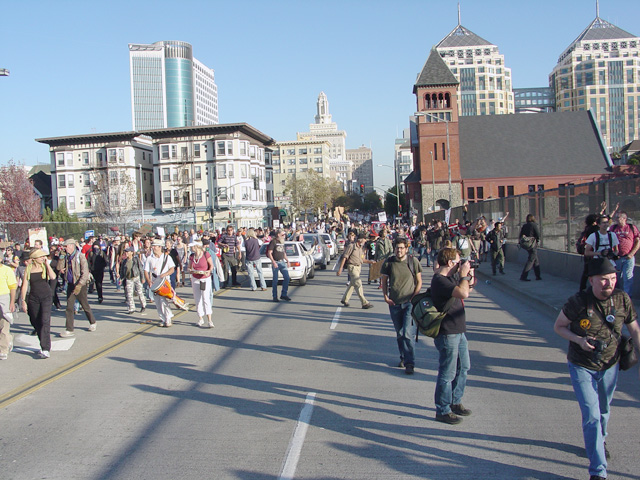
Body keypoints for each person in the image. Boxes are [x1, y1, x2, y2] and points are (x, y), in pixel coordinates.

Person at [553, 258, 640, 480]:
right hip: (582, 365)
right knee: (591, 414)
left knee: (603, 411)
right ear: (591, 280)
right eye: (603, 279)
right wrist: (579, 340)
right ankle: (598, 471)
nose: (608, 283)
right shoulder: (578, 302)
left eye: (612, 278)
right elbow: (559, 327)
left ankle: (599, 441)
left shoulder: (622, 299)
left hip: (610, 364)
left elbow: (635, 330)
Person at [430, 247, 474, 425]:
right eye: (457, 262)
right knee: (447, 373)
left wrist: (469, 276)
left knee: (464, 367)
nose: (459, 265)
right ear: (449, 263)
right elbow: (462, 293)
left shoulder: (450, 278)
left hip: (459, 330)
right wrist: (463, 276)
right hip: (448, 332)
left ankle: (456, 401)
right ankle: (443, 409)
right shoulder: (440, 280)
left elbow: (467, 291)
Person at [380, 237, 422, 374]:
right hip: (394, 303)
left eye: (402, 248)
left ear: (407, 248)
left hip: (409, 303)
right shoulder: (389, 262)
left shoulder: (412, 261)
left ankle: (410, 363)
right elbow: (384, 280)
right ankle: (403, 356)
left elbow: (419, 281)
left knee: (407, 333)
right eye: (397, 248)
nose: (399, 250)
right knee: (399, 333)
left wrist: (414, 297)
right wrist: (386, 296)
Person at [57, 239, 97, 337]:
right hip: (70, 284)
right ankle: (69, 329)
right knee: (69, 307)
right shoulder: (66, 257)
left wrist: (80, 285)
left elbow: (85, 272)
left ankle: (92, 322)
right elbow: (59, 268)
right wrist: (61, 258)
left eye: (66, 247)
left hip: (80, 284)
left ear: (71, 246)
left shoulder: (80, 256)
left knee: (84, 304)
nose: (65, 249)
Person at [20, 249, 56, 358]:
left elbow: (53, 277)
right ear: (35, 258)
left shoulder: (45, 267)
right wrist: (23, 301)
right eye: (41, 256)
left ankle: (45, 348)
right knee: (35, 321)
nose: (43, 258)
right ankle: (43, 342)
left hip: (46, 296)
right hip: (33, 297)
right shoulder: (29, 268)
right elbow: (25, 285)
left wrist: (47, 264)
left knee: (45, 321)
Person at [337, 233, 374, 309]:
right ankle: (364, 302)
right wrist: (340, 268)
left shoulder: (361, 248)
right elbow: (345, 257)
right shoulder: (351, 246)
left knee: (352, 284)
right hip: (352, 267)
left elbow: (362, 259)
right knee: (358, 283)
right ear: (360, 240)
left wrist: (370, 262)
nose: (365, 241)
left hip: (358, 267)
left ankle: (345, 299)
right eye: (364, 239)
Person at [144, 239, 176, 328]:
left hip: (165, 282)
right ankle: (162, 318)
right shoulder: (149, 258)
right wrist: (148, 281)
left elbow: (172, 269)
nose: (153, 247)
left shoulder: (167, 257)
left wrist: (164, 274)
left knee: (164, 301)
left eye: (155, 246)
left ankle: (168, 318)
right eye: (152, 246)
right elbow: (146, 271)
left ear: (159, 247)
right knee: (157, 302)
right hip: (154, 282)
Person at [610, 211, 639, 296]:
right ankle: (617, 295)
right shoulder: (613, 228)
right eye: (616, 218)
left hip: (628, 257)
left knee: (628, 277)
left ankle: (627, 297)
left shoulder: (631, 228)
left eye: (618, 217)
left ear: (624, 219)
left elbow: (637, 241)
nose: (616, 219)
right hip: (617, 257)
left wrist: (632, 253)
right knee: (616, 277)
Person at [188, 241, 214, 327]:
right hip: (195, 278)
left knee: (205, 298)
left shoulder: (206, 254)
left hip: (205, 278)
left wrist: (208, 271)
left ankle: (209, 320)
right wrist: (190, 270)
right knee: (197, 299)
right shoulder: (192, 256)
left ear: (196, 247)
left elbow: (211, 265)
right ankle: (200, 318)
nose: (191, 248)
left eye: (192, 246)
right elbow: (189, 267)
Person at [119, 247, 147, 315]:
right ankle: (131, 308)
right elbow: (122, 271)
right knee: (129, 294)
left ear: (132, 252)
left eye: (128, 252)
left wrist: (142, 278)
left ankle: (143, 305)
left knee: (140, 292)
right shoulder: (124, 261)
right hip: (129, 278)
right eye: (126, 252)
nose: (126, 253)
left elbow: (140, 268)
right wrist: (121, 278)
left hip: (136, 277)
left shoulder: (135, 259)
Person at [267, 229, 291, 302]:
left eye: (284, 235)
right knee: (275, 280)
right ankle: (275, 296)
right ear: (278, 235)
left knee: (287, 277)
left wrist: (287, 260)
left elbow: (283, 253)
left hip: (282, 262)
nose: (284, 236)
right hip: (276, 262)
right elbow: (269, 252)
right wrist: (273, 262)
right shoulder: (274, 242)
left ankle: (284, 294)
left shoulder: (282, 242)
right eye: (283, 235)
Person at [0, 261, 17, 360]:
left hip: (3, 299)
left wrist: (12, 302)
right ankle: (9, 340)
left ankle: (3, 350)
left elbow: (12, 287)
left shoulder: (7, 270)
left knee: (4, 326)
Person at [519, 214, 542, 281]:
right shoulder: (534, 225)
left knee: (535, 260)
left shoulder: (524, 225)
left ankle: (538, 276)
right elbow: (538, 234)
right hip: (532, 244)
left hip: (526, 245)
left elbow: (521, 235)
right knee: (531, 260)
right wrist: (537, 240)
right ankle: (523, 276)